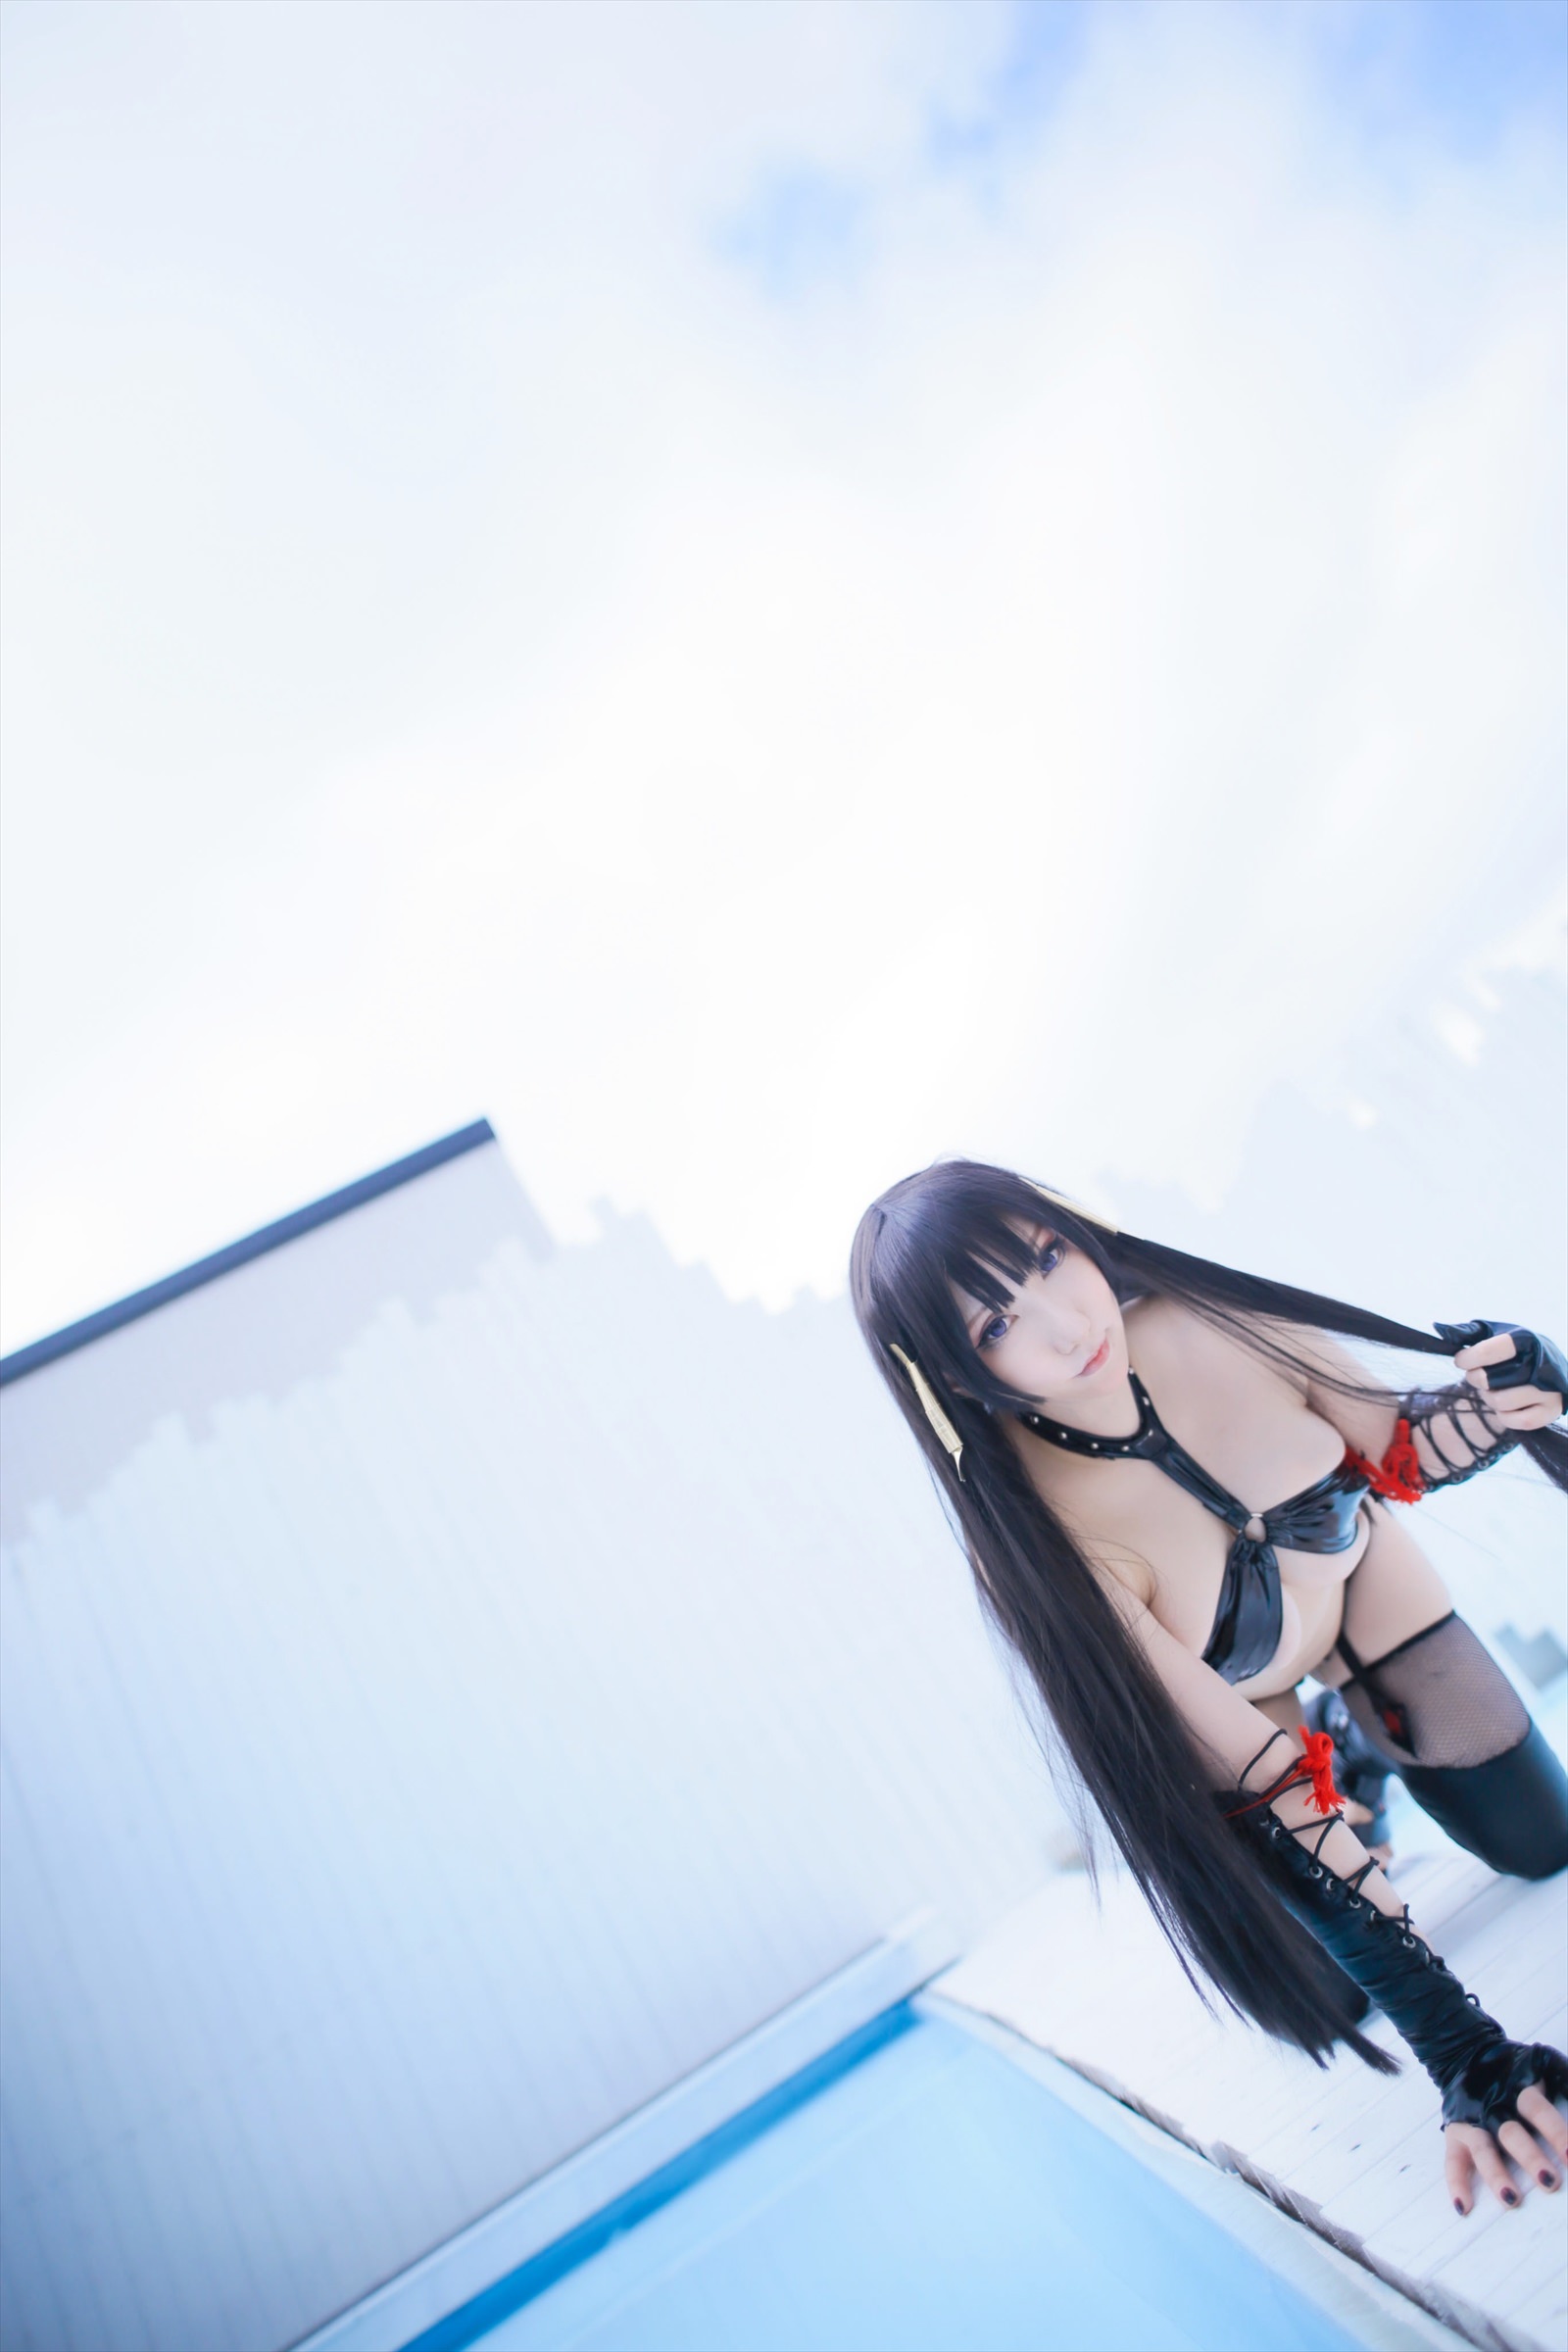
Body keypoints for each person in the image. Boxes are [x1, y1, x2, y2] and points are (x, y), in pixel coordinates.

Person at [850, 1159, 1568, 2217]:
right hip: (1245, 1702)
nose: (1065, 1323)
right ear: (952, 1377)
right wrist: (1467, 2056)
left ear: (1077, 1227)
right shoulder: (1037, 1540)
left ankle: (1361, 1741)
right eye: (996, 1323)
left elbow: (1401, 1443)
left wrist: (1508, 1394)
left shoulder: (1222, 1320)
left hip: (1362, 1591)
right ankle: (1350, 1761)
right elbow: (1260, 1779)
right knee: (1334, 1999)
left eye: (1047, 1256)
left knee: (1544, 1841)